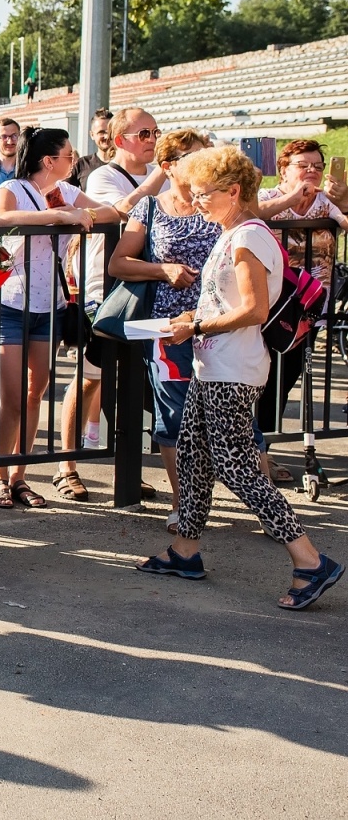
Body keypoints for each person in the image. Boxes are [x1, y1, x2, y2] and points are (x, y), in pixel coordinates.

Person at [139, 145, 342, 611]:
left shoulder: (248, 237)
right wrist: (196, 316)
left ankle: (309, 560)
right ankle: (185, 550)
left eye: (203, 193)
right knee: (191, 452)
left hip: (232, 368)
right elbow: (227, 301)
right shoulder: (234, 234)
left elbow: (254, 309)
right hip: (216, 364)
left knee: (235, 466)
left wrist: (197, 325)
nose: (194, 201)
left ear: (233, 192)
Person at [0, 127, 121, 508]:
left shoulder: (70, 191)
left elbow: (112, 212)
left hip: (51, 306)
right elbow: (1, 217)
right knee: (11, 397)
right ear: (50, 161)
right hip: (8, 303)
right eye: (68, 156)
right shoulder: (12, 189)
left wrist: (83, 212)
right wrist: (57, 214)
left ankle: (20, 476)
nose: (73, 161)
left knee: (34, 392)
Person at [52, 108, 166, 501]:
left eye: (156, 131)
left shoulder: (158, 180)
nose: (153, 139)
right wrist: (159, 178)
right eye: (144, 133)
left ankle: (127, 470)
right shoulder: (103, 176)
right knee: (89, 379)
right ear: (120, 141)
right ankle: (66, 466)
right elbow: (124, 210)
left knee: (133, 384)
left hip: (143, 290)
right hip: (104, 292)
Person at [108, 130, 218, 528]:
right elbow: (118, 263)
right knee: (174, 415)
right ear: (169, 167)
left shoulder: (219, 205)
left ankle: (259, 501)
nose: (206, 164)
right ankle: (183, 503)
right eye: (195, 158)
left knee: (233, 414)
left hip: (221, 327)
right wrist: (163, 270)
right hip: (168, 330)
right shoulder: (150, 208)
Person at [254, 137, 348, 480]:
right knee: (259, 379)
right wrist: (292, 198)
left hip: (311, 307)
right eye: (303, 165)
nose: (312, 171)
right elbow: (251, 215)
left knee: (287, 377)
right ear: (283, 169)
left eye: (317, 166)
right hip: (273, 305)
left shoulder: (326, 201)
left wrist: (343, 199)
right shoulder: (266, 197)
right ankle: (252, 454)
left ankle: (263, 451)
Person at [69, 109, 114, 187]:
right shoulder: (82, 164)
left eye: (109, 132)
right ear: (92, 135)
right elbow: (64, 193)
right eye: (101, 132)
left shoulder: (126, 164)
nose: (106, 136)